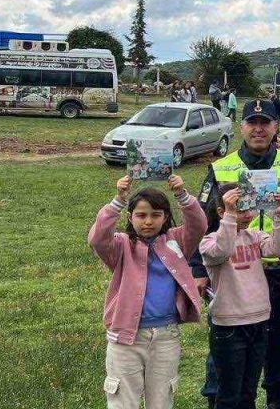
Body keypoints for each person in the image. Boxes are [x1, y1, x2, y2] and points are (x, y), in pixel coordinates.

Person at [191, 99, 280, 409]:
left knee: (278, 341)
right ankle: (219, 397)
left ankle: (276, 397)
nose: (258, 128)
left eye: (265, 122)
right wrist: (198, 270)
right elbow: (202, 220)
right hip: (233, 269)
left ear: (275, 126)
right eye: (252, 122)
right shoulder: (221, 166)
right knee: (227, 343)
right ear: (241, 127)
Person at [88, 173, 206, 409]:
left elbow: (199, 224)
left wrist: (182, 195)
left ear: (166, 217)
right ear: (130, 218)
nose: (148, 221)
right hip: (125, 339)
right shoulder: (121, 245)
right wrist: (118, 200)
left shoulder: (177, 241)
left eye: (156, 215)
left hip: (166, 336)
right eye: (141, 215)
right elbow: (98, 239)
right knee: (123, 399)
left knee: (161, 400)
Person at [200, 184, 280, 409]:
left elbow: (277, 249)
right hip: (230, 326)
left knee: (248, 391)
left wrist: (279, 217)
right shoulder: (209, 241)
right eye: (240, 208)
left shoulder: (254, 235)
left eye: (249, 206)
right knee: (230, 392)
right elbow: (221, 251)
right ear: (222, 212)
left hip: (259, 321)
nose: (248, 213)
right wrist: (231, 215)